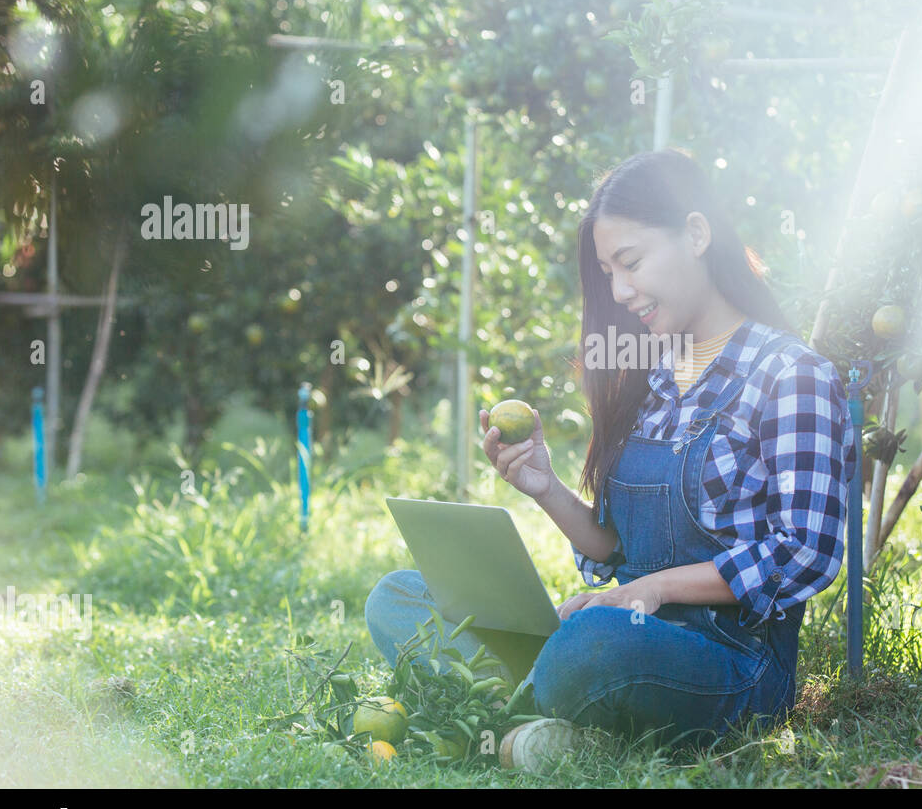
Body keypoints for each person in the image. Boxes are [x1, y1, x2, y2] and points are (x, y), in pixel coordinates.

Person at [365, 147, 858, 768]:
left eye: (630, 263)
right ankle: (543, 722)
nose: (620, 291)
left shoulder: (792, 375)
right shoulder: (654, 379)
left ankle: (500, 712)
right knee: (400, 596)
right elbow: (614, 549)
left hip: (731, 662)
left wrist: (645, 593)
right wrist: (544, 487)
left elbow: (803, 553)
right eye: (608, 274)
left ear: (697, 234)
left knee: (590, 645)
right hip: (619, 630)